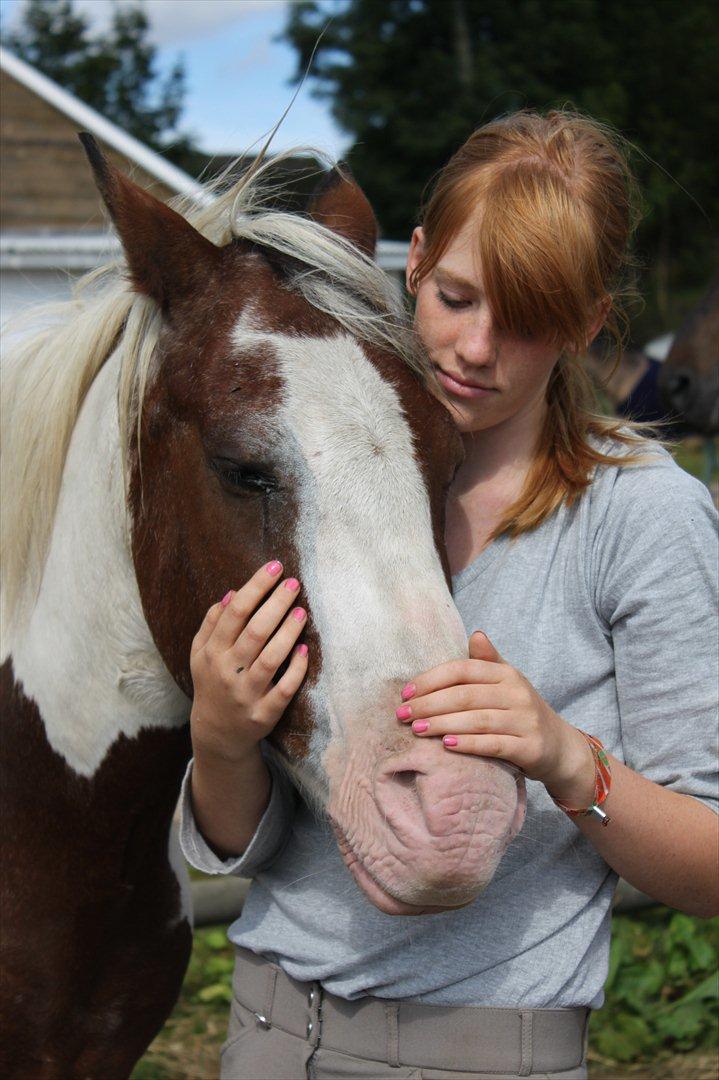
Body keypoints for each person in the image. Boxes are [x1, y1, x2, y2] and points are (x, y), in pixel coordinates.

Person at [180, 110, 719, 1079]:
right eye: (457, 297)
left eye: (525, 321)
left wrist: (564, 758)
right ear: (415, 262)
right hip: (263, 1030)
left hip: (487, 1053)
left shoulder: (639, 518)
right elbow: (248, 844)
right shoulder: (317, 474)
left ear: (591, 321)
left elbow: (710, 868)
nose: (473, 348)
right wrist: (219, 736)